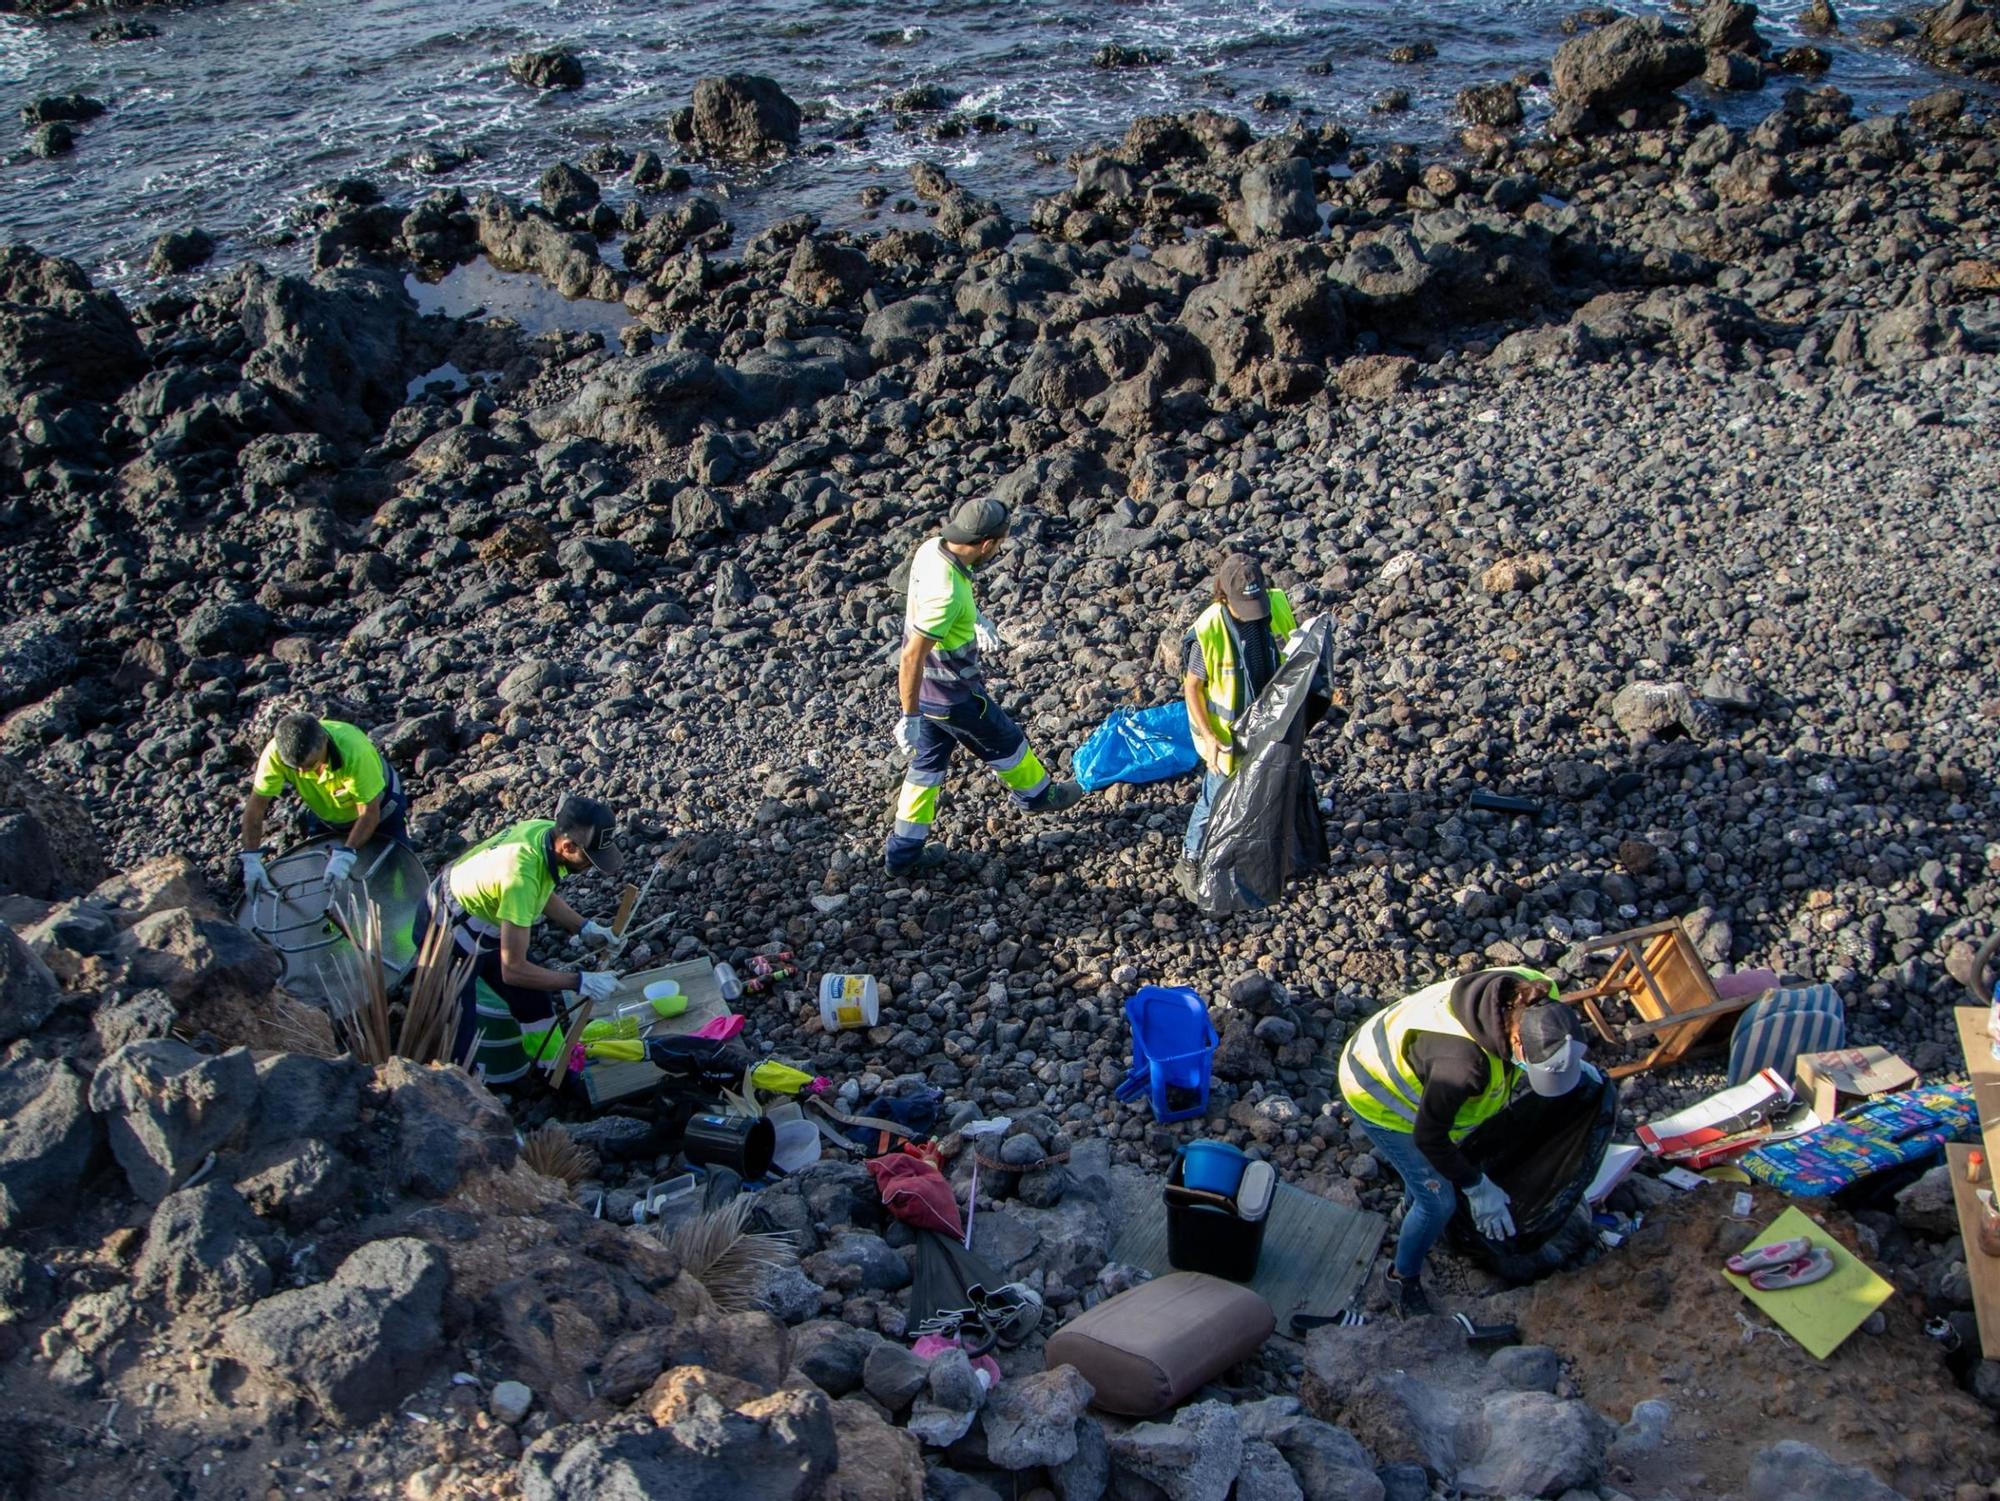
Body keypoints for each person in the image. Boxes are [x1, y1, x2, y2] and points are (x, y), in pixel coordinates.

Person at [1337, 967, 1590, 1317]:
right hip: (1374, 1086)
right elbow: (1429, 1137)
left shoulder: (1539, 996)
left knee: (1434, 1179)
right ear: (1517, 1041)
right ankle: (1400, 1278)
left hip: (1417, 1063)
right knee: (1438, 1201)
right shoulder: (1463, 1067)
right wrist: (1477, 1187)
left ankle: (1406, 1212)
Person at [884, 497, 1082, 876]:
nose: (1001, 549)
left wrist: (974, 619)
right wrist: (906, 715)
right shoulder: (948, 594)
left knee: (926, 768)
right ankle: (1039, 795)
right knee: (1005, 741)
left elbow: (937, 606)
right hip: (952, 696)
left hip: (927, 694)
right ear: (986, 544)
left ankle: (902, 855)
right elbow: (911, 655)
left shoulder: (932, 549)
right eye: (1002, 542)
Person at [433, 795, 627, 1085]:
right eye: (589, 859)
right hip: (447, 932)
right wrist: (579, 981)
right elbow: (512, 969)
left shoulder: (544, 833)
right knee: (461, 1026)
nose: (591, 867)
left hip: (484, 918)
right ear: (568, 846)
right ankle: (472, 1092)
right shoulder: (520, 877)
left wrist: (585, 928)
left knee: (535, 1001)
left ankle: (555, 1069)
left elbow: (542, 891)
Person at [1178, 553, 1297, 898]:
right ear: (1222, 596)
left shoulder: (1274, 604)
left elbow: (1295, 650)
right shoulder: (1209, 629)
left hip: (1267, 723)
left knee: (1264, 786)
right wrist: (1210, 737)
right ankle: (1190, 858)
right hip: (1225, 737)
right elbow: (1192, 688)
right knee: (1215, 797)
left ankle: (1255, 851)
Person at [239, 713, 409, 897]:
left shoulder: (354, 751)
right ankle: (339, 920)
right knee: (326, 883)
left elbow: (369, 812)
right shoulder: (274, 755)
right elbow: (256, 806)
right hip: (329, 817)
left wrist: (346, 854)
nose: (303, 772)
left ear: (324, 741)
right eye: (295, 768)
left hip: (381, 810)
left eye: (310, 765)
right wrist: (251, 857)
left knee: (395, 874)